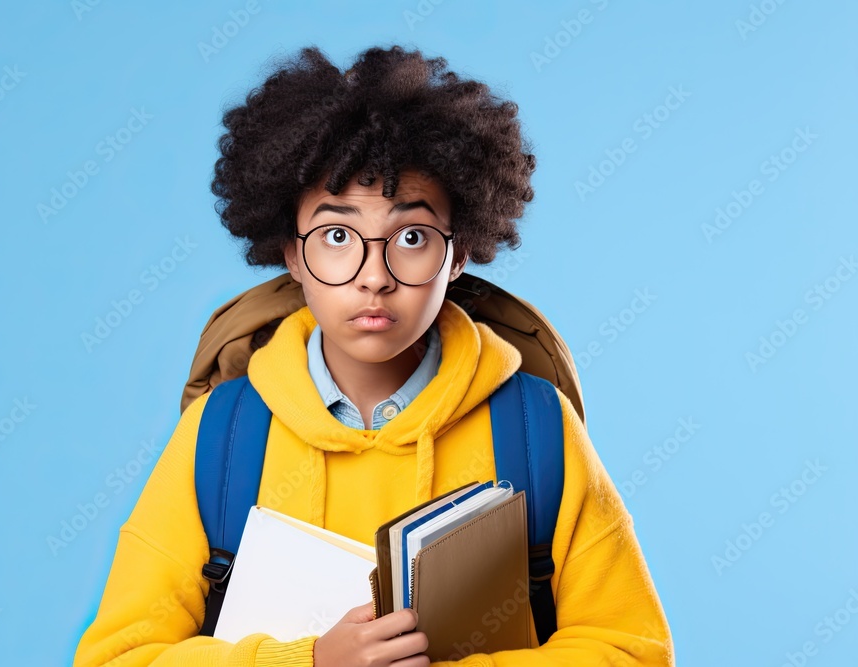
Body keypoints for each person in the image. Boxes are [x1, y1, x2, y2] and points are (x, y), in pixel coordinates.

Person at [73, 45, 674, 667]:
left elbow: (632, 650)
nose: (373, 277)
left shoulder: (535, 426)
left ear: (458, 253)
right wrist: (305, 661)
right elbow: (119, 658)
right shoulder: (221, 436)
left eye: (411, 236)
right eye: (337, 236)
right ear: (292, 253)